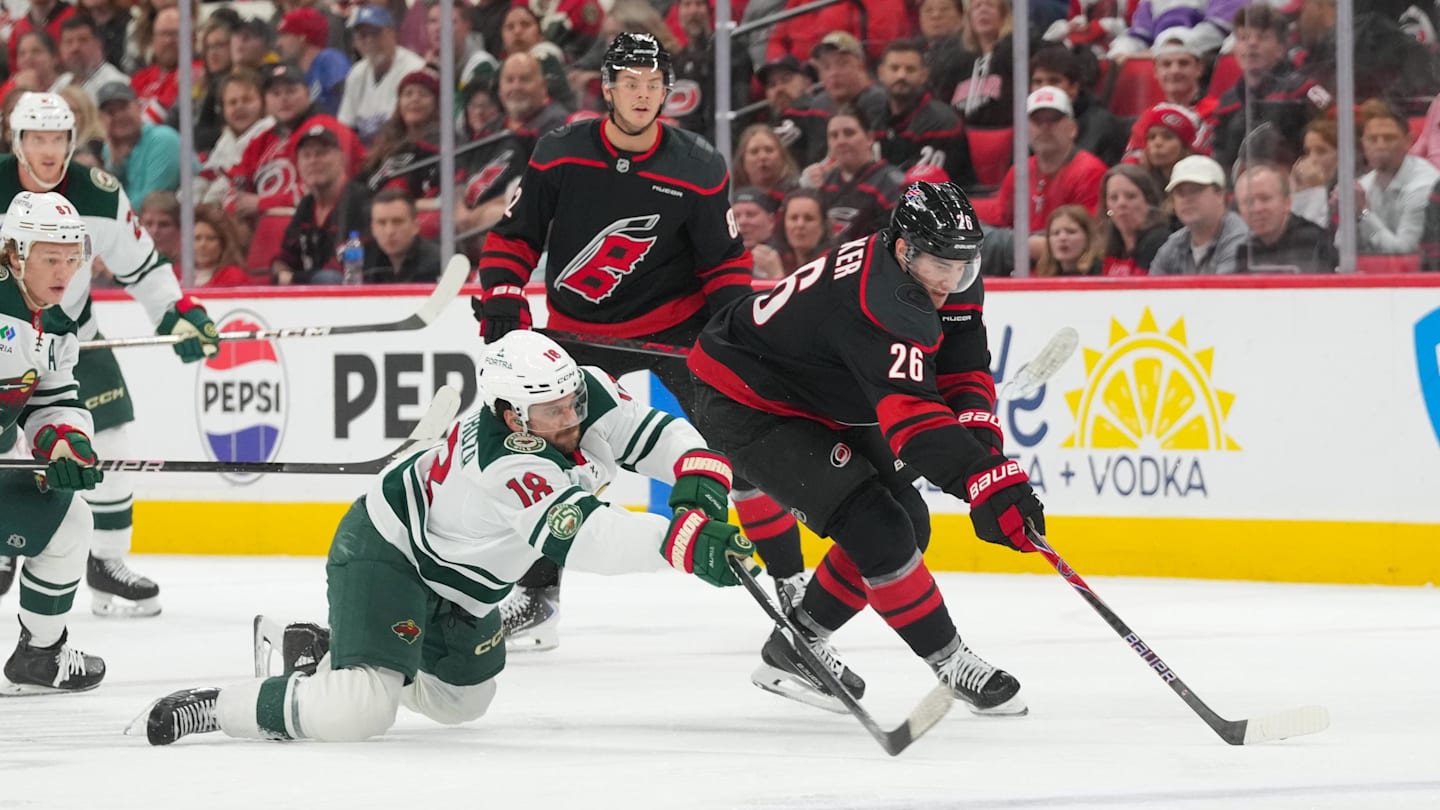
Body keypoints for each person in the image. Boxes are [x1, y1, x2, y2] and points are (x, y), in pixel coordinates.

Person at [137, 331, 757, 745]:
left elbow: (653, 433)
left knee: (462, 703)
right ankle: (219, 706)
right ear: (513, 416)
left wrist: (699, 483)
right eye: (554, 412)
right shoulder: (507, 463)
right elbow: (586, 537)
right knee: (359, 710)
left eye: (572, 401)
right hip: (391, 555)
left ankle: (321, 650)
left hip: (465, 584)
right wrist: (686, 544)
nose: (572, 417)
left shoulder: (569, 394)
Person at [473, 33, 807, 651]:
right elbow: (515, 237)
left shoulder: (699, 166)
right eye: (631, 83)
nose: (644, 95)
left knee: (742, 447)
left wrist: (730, 328)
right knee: (548, 462)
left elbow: (724, 264)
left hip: (672, 331)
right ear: (607, 88)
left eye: (654, 84)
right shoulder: (561, 152)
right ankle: (538, 596)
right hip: (575, 335)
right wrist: (501, 292)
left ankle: (791, 581)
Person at [687, 181, 1041, 716]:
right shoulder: (885, 302)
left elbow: (963, 364)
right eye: (939, 266)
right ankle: (950, 661)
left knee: (909, 522)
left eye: (962, 268)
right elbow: (914, 425)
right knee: (879, 527)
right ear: (903, 248)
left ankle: (795, 647)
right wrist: (984, 479)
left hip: (816, 389)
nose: (950, 282)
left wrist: (984, 450)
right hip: (746, 399)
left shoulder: (939, 263)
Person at [0, 92, 219, 617]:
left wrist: (178, 312)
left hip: (69, 335)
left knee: (112, 436)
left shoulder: (99, 194)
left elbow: (141, 266)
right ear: (18, 140)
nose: (48, 151)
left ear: (74, 141)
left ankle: (107, 562)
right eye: (37, 139)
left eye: (58, 139)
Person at [0, 190, 107, 694]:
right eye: (50, 258)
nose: (63, 272)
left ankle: (40, 657)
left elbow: (51, 400)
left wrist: (66, 442)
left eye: (71, 258)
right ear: (16, 254)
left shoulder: (58, 325)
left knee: (69, 522)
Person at [1150, 154, 1249, 275]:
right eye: (1180, 192)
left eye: (1196, 190)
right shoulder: (1174, 245)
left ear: (1220, 195)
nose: (1187, 199)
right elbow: (1150, 291)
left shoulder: (1241, 241)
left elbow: (1221, 292)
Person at [1233, 163, 1336, 273]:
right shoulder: (1245, 251)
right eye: (1248, 202)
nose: (1257, 209)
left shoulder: (1314, 242)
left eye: (1265, 199)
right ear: (1239, 210)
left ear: (1287, 202)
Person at [1037, 204, 1103, 276]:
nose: (1062, 238)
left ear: (1088, 237)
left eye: (1071, 232)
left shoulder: (1101, 272)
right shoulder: (1045, 274)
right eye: (1056, 233)